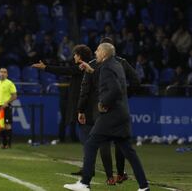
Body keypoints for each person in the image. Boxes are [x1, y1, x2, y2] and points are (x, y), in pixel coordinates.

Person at [64, 43, 149, 191]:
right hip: (122, 114)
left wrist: (103, 103)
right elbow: (108, 82)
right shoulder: (116, 64)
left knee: (90, 144)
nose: (95, 53)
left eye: (97, 50)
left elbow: (114, 89)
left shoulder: (106, 67)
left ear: (104, 53)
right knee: (129, 151)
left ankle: (84, 183)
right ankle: (144, 186)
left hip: (111, 115)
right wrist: (91, 71)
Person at [32, 44, 92, 142]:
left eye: (75, 55)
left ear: (80, 56)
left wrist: (46, 67)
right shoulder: (86, 67)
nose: (74, 57)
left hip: (84, 104)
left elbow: (64, 70)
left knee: (87, 134)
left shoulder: (82, 68)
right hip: (81, 103)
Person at [0, 68, 17, 149]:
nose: (2, 74)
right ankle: (3, 143)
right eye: (1, 72)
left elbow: (14, 95)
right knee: (1, 126)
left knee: (7, 125)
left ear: (7, 74)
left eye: (4, 72)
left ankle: (8, 144)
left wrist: (7, 102)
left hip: (6, 106)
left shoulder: (10, 83)